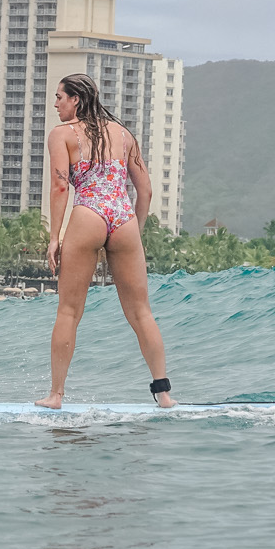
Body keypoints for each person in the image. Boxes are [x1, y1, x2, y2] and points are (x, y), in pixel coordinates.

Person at [36, 73, 176, 408]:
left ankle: (56, 395)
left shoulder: (62, 135)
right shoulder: (124, 134)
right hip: (122, 216)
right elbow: (146, 190)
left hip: (89, 213)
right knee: (141, 312)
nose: (55, 104)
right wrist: (134, 232)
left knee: (69, 311)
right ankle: (164, 394)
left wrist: (54, 237)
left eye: (59, 97)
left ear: (76, 100)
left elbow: (60, 188)